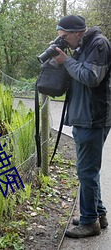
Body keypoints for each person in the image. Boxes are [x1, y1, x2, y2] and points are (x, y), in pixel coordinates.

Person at [53, 15, 111, 238]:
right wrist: (63, 60)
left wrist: (66, 61)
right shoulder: (82, 46)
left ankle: (89, 223)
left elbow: (90, 77)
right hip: (83, 117)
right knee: (88, 171)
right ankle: (98, 214)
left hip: (93, 118)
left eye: (65, 37)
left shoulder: (99, 44)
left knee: (86, 171)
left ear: (77, 32)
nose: (64, 41)